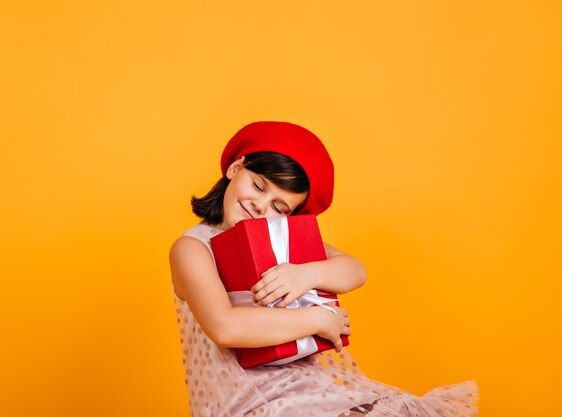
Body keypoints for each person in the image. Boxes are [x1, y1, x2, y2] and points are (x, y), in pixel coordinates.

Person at [169, 121, 479, 417]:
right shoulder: (193, 248)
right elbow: (225, 327)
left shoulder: (278, 243)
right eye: (258, 186)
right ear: (236, 168)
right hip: (246, 402)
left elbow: (355, 270)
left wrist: (307, 274)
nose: (262, 206)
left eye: (280, 207)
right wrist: (318, 319)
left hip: (306, 389)